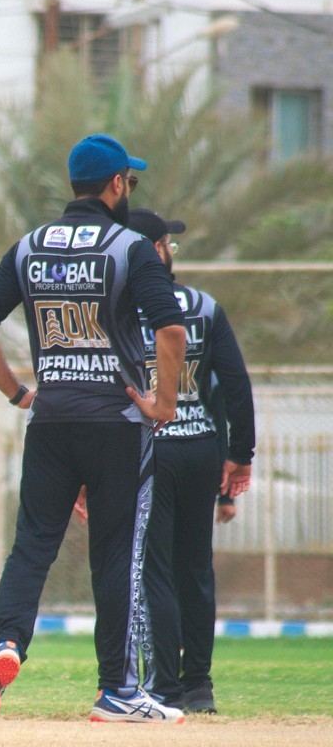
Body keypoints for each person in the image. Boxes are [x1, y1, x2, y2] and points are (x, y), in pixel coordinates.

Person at [0, 134, 187, 723]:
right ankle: (117, 691)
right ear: (116, 184)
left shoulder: (30, 247)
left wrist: (19, 393)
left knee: (32, 545)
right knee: (115, 555)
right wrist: (164, 403)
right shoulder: (130, 247)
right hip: (117, 421)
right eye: (129, 182)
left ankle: (5, 642)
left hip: (52, 418)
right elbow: (171, 330)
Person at [126, 208, 254, 715]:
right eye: (167, 244)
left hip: (148, 448)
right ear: (153, 251)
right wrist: (239, 454)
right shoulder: (203, 306)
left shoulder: (118, 307)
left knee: (154, 571)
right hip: (200, 447)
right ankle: (198, 684)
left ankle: (164, 687)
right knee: (196, 569)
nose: (171, 252)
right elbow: (235, 384)